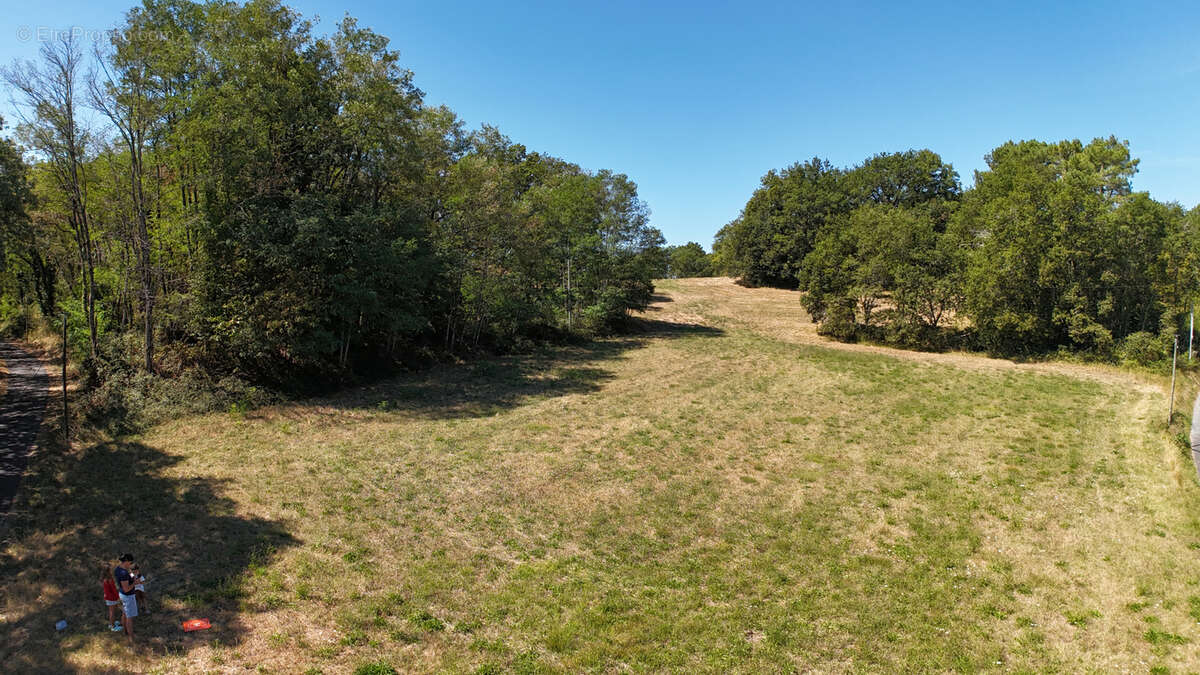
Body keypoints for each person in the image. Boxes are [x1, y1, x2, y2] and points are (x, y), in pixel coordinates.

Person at [114, 553, 139, 642]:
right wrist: (135, 583)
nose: (130, 564)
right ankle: (131, 637)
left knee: (124, 613)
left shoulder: (118, 569)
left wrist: (132, 576)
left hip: (122, 595)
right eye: (130, 562)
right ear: (126, 561)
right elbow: (127, 589)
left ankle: (125, 632)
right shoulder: (123, 573)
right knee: (129, 617)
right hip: (128, 597)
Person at [100, 563, 122, 632]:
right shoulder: (109, 579)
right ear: (108, 571)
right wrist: (118, 596)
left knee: (111, 611)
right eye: (110, 570)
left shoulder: (104, 579)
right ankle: (112, 626)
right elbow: (114, 589)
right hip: (111, 597)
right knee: (112, 611)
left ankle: (111, 623)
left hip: (108, 597)